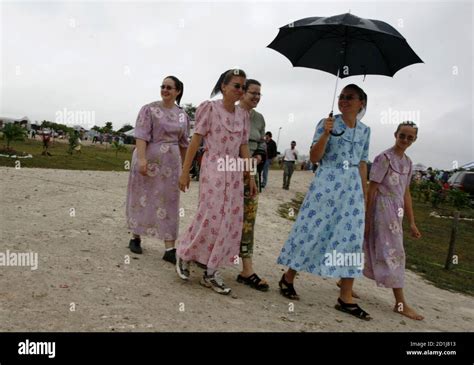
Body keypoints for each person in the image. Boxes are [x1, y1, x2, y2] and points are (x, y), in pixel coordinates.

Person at [277, 84, 372, 320]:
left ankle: (345, 297)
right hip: (326, 185)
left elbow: (362, 163)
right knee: (312, 230)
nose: (344, 101)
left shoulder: (365, 131)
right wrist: (327, 134)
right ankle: (288, 276)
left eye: (350, 98)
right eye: (341, 96)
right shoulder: (326, 123)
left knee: (351, 240)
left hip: (352, 191)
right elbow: (314, 157)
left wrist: (364, 194)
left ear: (361, 103)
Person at [176, 69, 256, 295]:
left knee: (229, 221)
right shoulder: (209, 108)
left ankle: (211, 272)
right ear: (223, 86)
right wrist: (185, 171)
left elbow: (243, 147)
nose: (240, 90)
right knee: (210, 215)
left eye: (243, 86)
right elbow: (196, 140)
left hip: (234, 171)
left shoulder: (244, 116)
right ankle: (184, 253)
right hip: (213, 166)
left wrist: (250, 176)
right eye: (236, 86)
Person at [125, 76, 189, 265]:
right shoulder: (149, 109)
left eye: (169, 87)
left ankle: (169, 247)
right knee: (142, 197)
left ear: (178, 91)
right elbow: (141, 136)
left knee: (169, 201)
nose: (165, 90)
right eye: (163, 86)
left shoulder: (182, 115)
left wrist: (186, 169)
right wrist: (142, 160)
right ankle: (135, 237)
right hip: (148, 159)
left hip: (171, 164)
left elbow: (185, 143)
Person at [363, 121, 423, 320]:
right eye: (402, 135)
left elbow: (406, 194)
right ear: (395, 134)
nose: (405, 140)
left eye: (410, 137)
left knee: (371, 247)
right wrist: (367, 218)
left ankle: (343, 282)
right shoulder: (384, 158)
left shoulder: (408, 163)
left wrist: (412, 222)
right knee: (395, 253)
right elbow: (372, 188)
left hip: (396, 213)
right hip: (380, 210)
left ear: (414, 140)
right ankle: (400, 303)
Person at [236, 79, 269, 291]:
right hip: (229, 171)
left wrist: (257, 158)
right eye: (253, 93)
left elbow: (262, 146)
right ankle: (206, 259)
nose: (256, 97)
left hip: (252, 174)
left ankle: (246, 270)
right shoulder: (230, 113)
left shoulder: (259, 119)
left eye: (259, 94)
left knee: (248, 220)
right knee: (222, 215)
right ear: (242, 92)